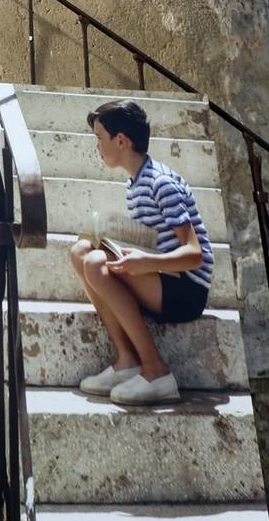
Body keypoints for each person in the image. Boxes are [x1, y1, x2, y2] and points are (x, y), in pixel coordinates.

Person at [68, 98, 213, 404]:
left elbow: (193, 254)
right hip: (160, 278)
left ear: (121, 140)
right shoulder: (135, 184)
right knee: (80, 251)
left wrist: (147, 262)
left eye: (99, 138)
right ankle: (127, 361)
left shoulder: (160, 183)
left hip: (187, 289)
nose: (97, 146)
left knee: (96, 262)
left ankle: (156, 370)